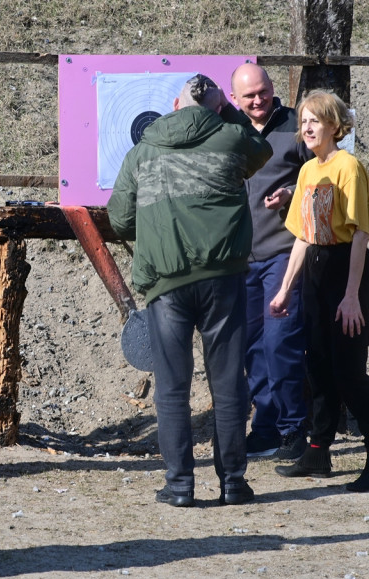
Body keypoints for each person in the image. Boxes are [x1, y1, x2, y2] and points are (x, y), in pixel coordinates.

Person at [107, 74, 272, 508]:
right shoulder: (231, 138)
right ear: (217, 106)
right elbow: (262, 149)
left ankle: (180, 485)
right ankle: (233, 483)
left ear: (174, 108)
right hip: (225, 280)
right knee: (228, 385)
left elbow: (120, 220)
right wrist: (226, 109)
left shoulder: (143, 150)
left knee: (173, 388)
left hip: (167, 281)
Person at [270, 90, 369, 493]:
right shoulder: (307, 172)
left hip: (345, 269)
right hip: (316, 272)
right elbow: (304, 236)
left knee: (349, 371)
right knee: (317, 364)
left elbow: (360, 234)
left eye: (315, 121)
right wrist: (286, 288)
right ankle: (318, 451)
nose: (306, 127)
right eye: (303, 120)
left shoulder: (348, 167)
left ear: (335, 126)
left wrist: (352, 295)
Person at [229, 63, 313, 461]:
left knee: (281, 344)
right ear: (235, 99)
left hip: (284, 253)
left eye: (263, 91)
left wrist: (292, 191)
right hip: (240, 259)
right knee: (252, 348)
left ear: (273, 88)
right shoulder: (229, 131)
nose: (259, 100)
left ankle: (294, 429)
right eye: (250, 96)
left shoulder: (297, 126)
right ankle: (264, 428)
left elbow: (325, 173)